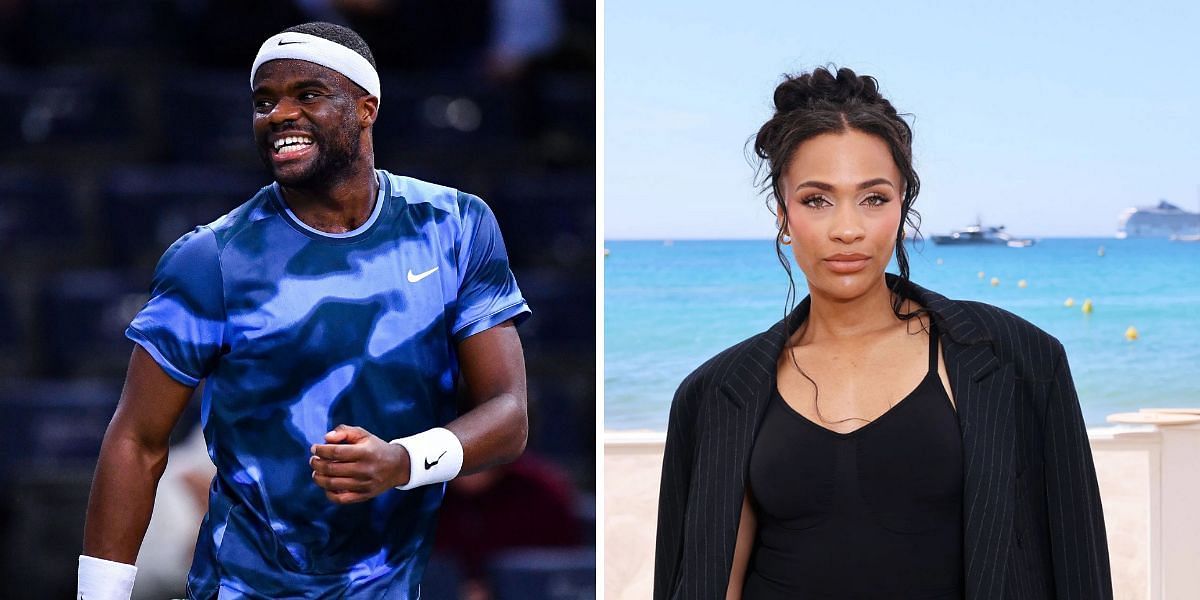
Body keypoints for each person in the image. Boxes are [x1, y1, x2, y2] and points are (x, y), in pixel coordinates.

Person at [79, 21, 531, 599]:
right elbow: (136, 440)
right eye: (264, 101)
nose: (279, 114)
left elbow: (509, 415)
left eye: (307, 94)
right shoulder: (211, 258)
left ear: (365, 109)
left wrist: (401, 461)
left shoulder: (457, 227)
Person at [653, 67, 1112, 599]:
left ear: (902, 207)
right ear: (783, 215)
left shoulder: (1021, 359)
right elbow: (706, 581)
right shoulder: (713, 393)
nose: (846, 228)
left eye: (872, 198)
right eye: (816, 200)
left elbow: (1079, 569)